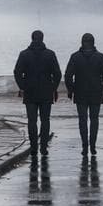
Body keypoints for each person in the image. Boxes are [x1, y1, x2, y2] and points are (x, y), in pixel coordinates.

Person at [13, 29, 62, 158]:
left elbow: (17, 72)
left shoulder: (24, 54)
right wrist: (53, 88)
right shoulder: (50, 54)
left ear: (32, 38)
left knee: (32, 121)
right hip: (46, 92)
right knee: (45, 120)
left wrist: (22, 86)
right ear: (42, 38)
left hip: (30, 92)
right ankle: (44, 147)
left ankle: (34, 147)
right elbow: (57, 74)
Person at [64, 32, 103, 157]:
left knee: (82, 120)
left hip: (80, 93)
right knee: (94, 119)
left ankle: (85, 146)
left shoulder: (75, 57)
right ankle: (93, 146)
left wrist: (71, 90)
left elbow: (68, 76)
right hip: (96, 92)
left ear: (81, 42)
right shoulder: (100, 57)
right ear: (93, 42)